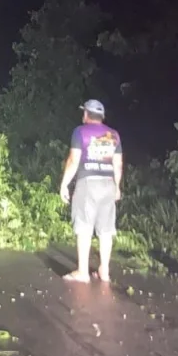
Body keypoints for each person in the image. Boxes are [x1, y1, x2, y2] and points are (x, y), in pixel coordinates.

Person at [59, 99, 123, 283]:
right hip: (108, 184)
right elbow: (118, 164)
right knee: (106, 230)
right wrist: (117, 187)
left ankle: (82, 272)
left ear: (86, 114)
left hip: (87, 184)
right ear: (102, 116)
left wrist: (64, 184)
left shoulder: (80, 132)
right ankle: (105, 271)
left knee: (84, 227)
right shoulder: (114, 135)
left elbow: (73, 160)